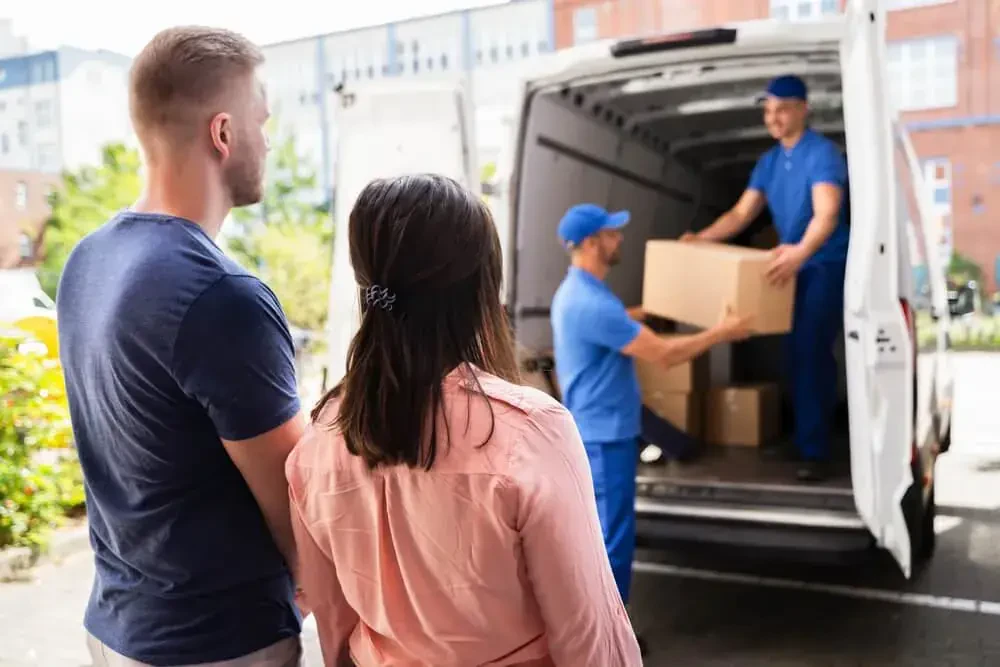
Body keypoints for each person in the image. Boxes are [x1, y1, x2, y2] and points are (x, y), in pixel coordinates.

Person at [286, 174, 642, 667]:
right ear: (481, 291)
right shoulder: (530, 431)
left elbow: (333, 622)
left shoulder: (319, 442)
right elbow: (590, 639)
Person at [57, 27, 304, 666]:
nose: (268, 140)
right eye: (261, 120)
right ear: (223, 134)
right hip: (218, 643)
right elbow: (297, 505)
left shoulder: (88, 259)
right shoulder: (222, 296)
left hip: (117, 629)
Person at [550, 203, 753, 640]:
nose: (619, 239)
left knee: (608, 533)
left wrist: (668, 303)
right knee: (613, 541)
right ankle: (608, 639)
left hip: (604, 427)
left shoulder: (582, 290)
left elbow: (623, 319)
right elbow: (665, 355)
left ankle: (600, 631)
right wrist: (723, 332)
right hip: (604, 436)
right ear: (591, 243)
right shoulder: (591, 303)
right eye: (611, 233)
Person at [681, 74, 850, 482]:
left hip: (822, 263)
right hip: (786, 266)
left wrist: (802, 252)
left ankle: (816, 452)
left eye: (782, 109)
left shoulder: (821, 154)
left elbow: (827, 212)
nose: (773, 118)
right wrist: (697, 239)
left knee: (809, 352)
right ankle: (805, 436)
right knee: (793, 355)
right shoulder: (769, 162)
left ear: (803, 109)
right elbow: (742, 214)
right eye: (768, 111)